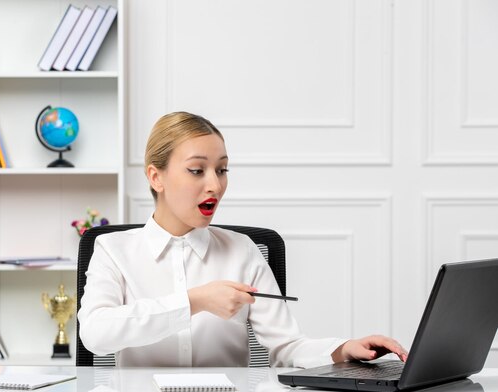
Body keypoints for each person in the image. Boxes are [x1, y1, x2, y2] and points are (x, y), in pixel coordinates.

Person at [78, 111, 408, 367]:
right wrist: (195, 301)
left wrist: (341, 350)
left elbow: (286, 347)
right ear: (156, 177)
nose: (215, 186)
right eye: (197, 170)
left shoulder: (242, 251)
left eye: (221, 170)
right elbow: (95, 333)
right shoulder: (113, 250)